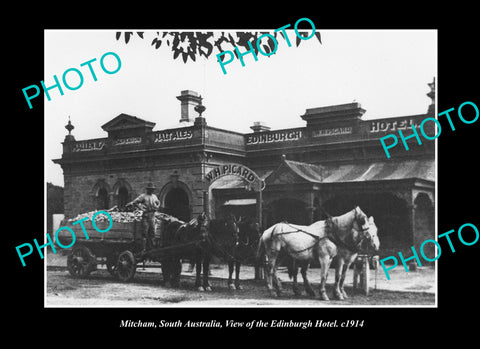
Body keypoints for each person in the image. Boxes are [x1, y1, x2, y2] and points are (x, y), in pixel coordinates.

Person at [126, 183, 160, 251]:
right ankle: (143, 249)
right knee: (145, 233)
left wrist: (157, 206)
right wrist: (141, 208)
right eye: (150, 189)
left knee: (152, 233)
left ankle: (151, 248)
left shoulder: (154, 196)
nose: (151, 191)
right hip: (146, 216)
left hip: (152, 216)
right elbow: (135, 202)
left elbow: (158, 202)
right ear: (147, 190)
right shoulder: (143, 196)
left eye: (152, 189)